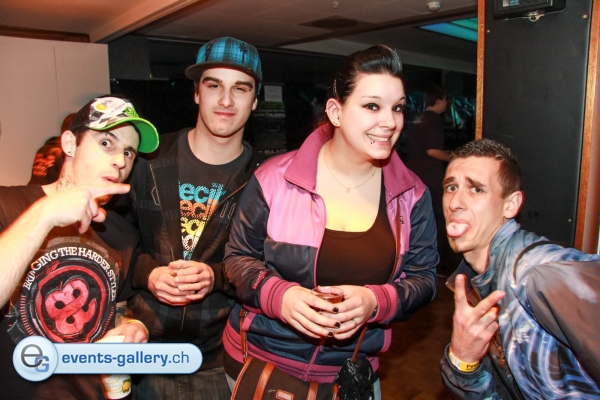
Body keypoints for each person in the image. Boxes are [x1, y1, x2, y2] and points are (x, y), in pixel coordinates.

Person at [223, 45, 439, 398]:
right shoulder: (274, 179)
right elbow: (237, 259)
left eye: (398, 107)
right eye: (372, 106)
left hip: (350, 375)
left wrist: (376, 301)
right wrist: (280, 296)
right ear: (335, 112)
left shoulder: (412, 195)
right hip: (260, 366)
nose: (390, 122)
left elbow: (424, 279)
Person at [126, 36, 263, 399]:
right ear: (197, 93)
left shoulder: (264, 181)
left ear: (255, 100)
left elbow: (269, 266)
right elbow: (114, 244)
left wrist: (216, 276)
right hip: (143, 352)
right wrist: (148, 273)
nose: (226, 100)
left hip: (219, 359)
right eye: (214, 85)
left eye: (241, 88)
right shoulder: (148, 160)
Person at [0, 96, 158, 398]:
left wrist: (131, 326)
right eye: (106, 143)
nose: (120, 161)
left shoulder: (122, 233)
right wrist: (45, 213)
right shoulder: (7, 205)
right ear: (70, 144)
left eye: (129, 152)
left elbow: (115, 309)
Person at [439, 138, 600, 399]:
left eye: (476, 189)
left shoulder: (539, 274)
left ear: (510, 205)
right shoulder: (476, 281)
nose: (454, 202)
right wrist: (463, 359)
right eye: (451, 187)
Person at [407, 84, 450, 256]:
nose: (447, 103)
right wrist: (454, 158)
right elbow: (432, 150)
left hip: (415, 175)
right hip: (430, 177)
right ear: (438, 101)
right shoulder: (434, 120)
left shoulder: (420, 118)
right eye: (446, 100)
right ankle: (435, 253)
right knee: (436, 216)